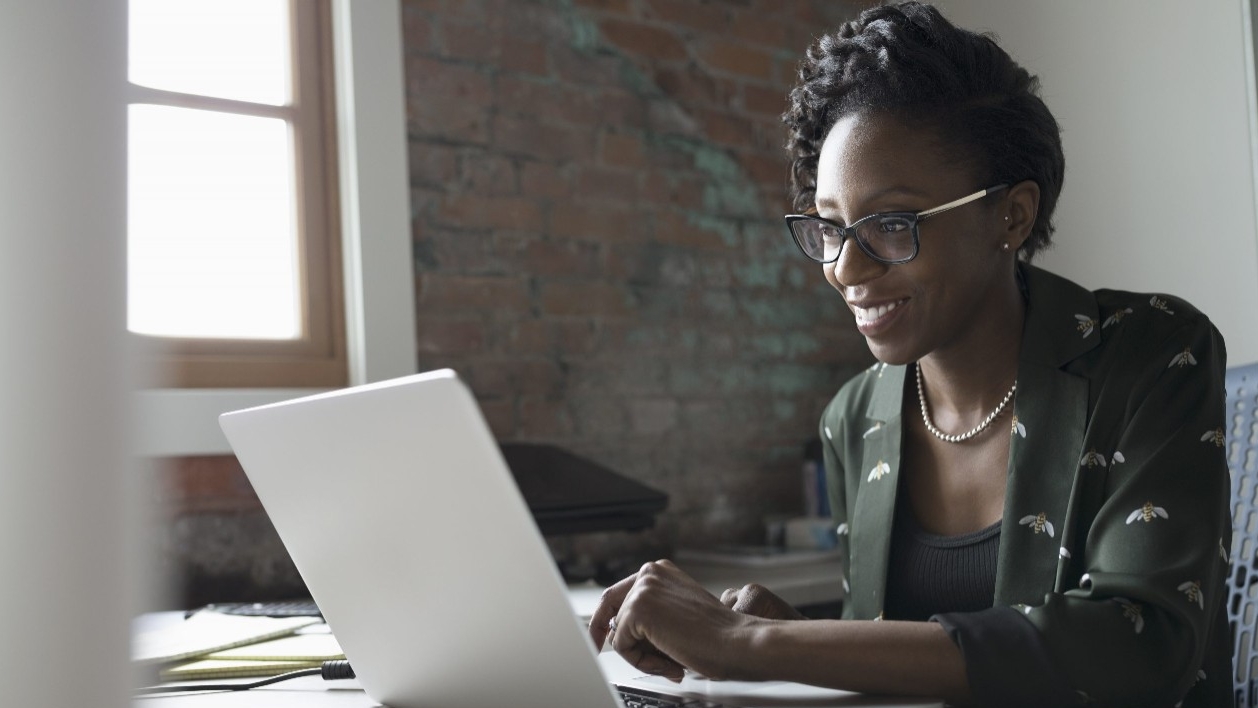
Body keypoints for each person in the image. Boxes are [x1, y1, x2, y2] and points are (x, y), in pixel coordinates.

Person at [587, 3, 1232, 706]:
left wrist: (752, 645)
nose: (844, 269)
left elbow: (1139, 645)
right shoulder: (855, 416)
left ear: (1010, 215)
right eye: (830, 229)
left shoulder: (1151, 353)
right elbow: (908, 651)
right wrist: (796, 634)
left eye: (891, 224)